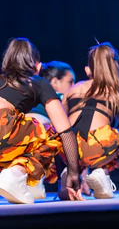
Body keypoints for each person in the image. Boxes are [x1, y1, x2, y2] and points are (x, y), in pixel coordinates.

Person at [61, 43, 119, 199]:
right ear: (115, 66)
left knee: (65, 193)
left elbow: (60, 127)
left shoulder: (73, 89)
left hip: (69, 149)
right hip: (97, 147)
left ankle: (69, 176)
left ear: (89, 69)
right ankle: (101, 172)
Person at [0, 38, 83, 203]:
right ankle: (16, 174)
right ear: (37, 66)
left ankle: (16, 179)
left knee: (18, 143)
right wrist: (73, 173)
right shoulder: (36, 82)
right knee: (53, 132)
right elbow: (65, 130)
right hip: (4, 127)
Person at [27, 61, 76, 189]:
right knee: (68, 137)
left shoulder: (32, 92)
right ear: (54, 82)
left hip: (19, 136)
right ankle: (66, 182)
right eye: (70, 82)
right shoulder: (61, 98)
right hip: (42, 133)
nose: (74, 86)